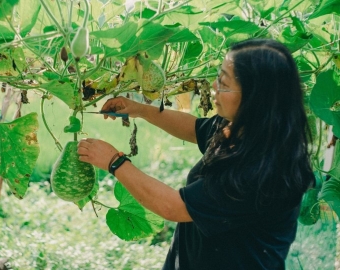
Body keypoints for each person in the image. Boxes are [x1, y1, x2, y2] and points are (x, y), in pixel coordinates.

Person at [77, 39, 315, 269]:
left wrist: (114, 162)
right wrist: (140, 109)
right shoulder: (242, 127)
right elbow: (194, 128)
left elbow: (174, 207)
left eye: (223, 82)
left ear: (254, 97)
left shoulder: (262, 170)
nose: (213, 86)